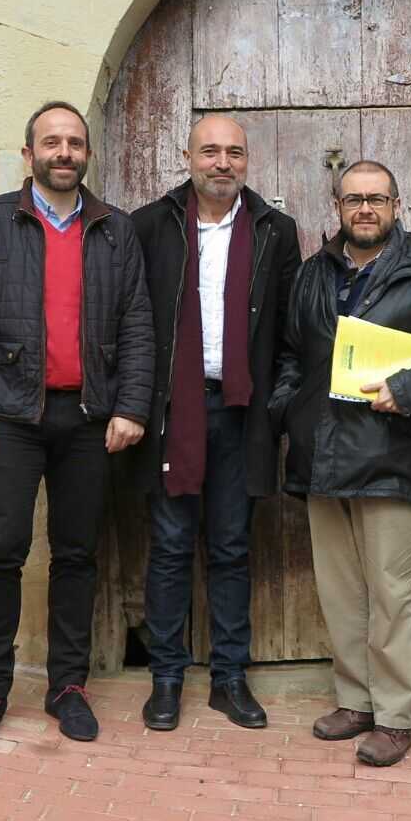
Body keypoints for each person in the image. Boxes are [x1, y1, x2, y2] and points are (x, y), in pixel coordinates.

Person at [0, 100, 153, 747]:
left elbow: (139, 326)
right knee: (0, 551)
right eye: (52, 142)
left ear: (86, 155)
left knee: (77, 554)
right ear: (29, 155)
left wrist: (132, 405)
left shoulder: (115, 230)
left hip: (88, 418)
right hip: (7, 414)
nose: (65, 152)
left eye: (75, 142)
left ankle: (68, 686)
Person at [270, 160, 411, 767]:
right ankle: (355, 700)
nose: (365, 209)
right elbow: (290, 353)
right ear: (336, 205)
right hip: (320, 452)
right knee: (340, 591)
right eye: (354, 200)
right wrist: (289, 409)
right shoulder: (313, 273)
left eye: (377, 200)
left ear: (397, 205)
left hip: (389, 452)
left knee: (392, 593)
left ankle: (394, 715)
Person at [130, 115, 301, 731]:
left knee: (232, 548)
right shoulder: (151, 225)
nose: (221, 162)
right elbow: (131, 321)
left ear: (247, 162)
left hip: (241, 413)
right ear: (188, 157)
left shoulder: (276, 231)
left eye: (234, 152)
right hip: (174, 412)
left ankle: (229, 678)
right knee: (171, 546)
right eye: (210, 151)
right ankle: (167, 679)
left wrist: (275, 405)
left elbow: (289, 333)